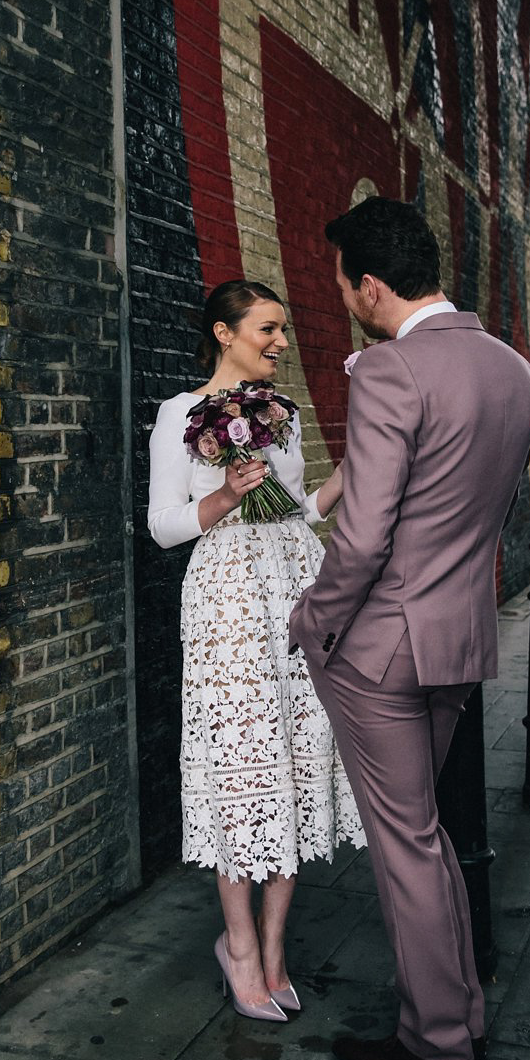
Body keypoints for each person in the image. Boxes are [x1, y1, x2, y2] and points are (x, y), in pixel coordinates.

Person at [289, 197, 530, 1060]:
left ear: (374, 285)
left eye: (344, 284)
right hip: (459, 640)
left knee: (408, 847)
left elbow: (360, 538)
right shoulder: (513, 368)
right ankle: (460, 1012)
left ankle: (436, 1039)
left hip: (383, 649)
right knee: (425, 836)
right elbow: (485, 511)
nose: (343, 298)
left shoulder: (393, 372)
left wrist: (312, 621)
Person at [148, 280, 365, 1022]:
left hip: (295, 592)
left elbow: (300, 510)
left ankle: (275, 954)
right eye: (268, 329)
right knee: (243, 771)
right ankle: (238, 950)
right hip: (228, 606)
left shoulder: (285, 413)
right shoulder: (179, 414)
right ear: (225, 332)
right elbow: (164, 526)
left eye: (283, 329)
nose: (281, 342)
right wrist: (227, 495)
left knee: (297, 764)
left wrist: (356, 470)